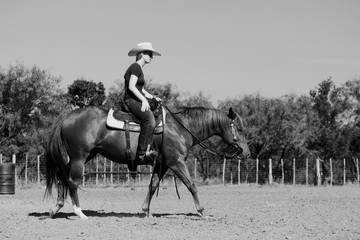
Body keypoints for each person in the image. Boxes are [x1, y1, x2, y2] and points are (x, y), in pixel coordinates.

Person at [123, 42, 161, 165]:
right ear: (142, 54)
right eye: (149, 54)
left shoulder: (139, 69)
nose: (151, 57)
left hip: (136, 98)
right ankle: (142, 154)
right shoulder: (135, 67)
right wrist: (144, 100)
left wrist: (152, 97)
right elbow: (131, 87)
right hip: (131, 100)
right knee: (150, 120)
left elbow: (141, 89)